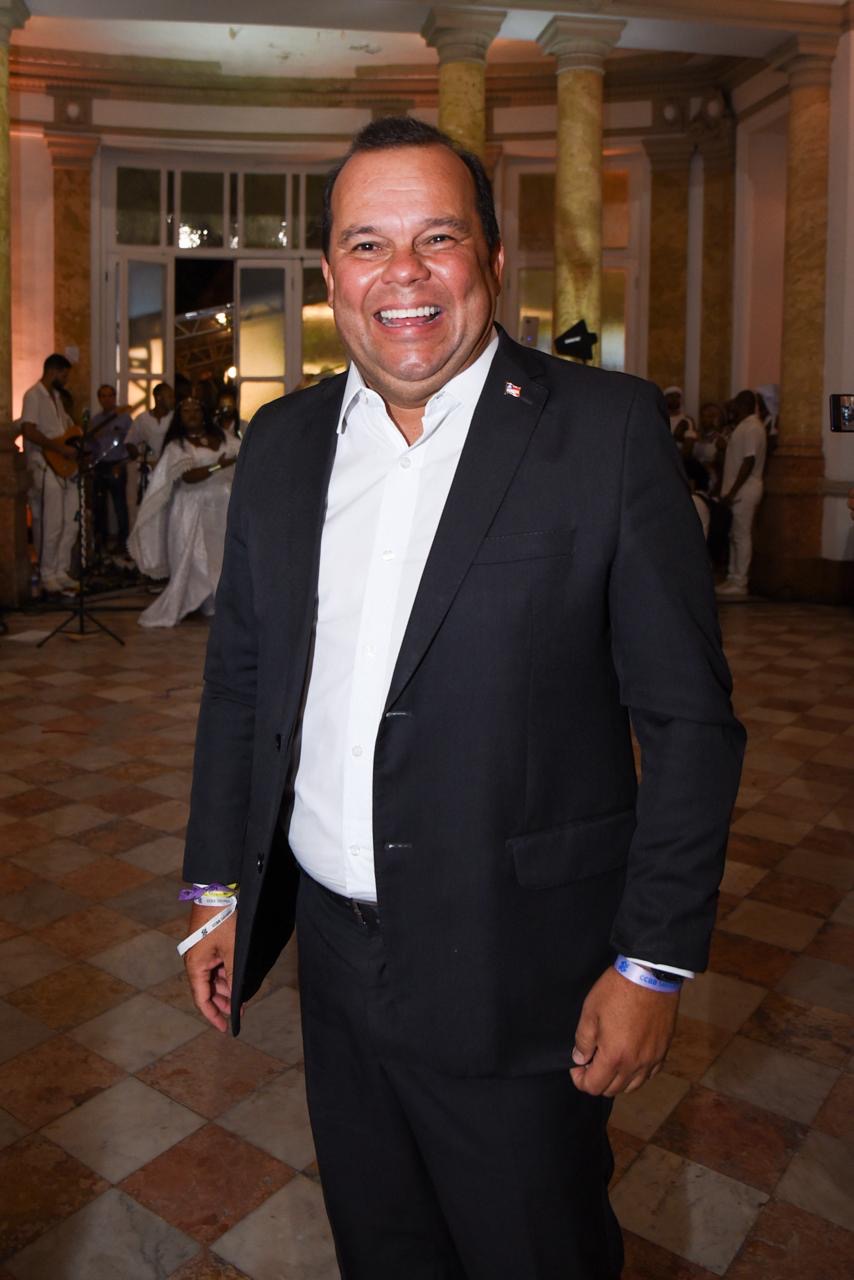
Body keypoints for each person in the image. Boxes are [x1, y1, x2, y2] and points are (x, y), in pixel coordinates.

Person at [181, 118, 744, 1280]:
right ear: (330, 272)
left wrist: (650, 961)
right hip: (336, 965)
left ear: (489, 257)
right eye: (367, 244)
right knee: (382, 1249)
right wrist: (214, 885)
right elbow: (239, 682)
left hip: (522, 972)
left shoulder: (603, 431)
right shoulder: (281, 444)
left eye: (436, 238)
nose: (404, 274)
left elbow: (688, 724)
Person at [127, 396, 238, 628]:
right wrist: (220, 464)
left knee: (223, 555)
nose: (192, 414)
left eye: (196, 409)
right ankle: (195, 601)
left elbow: (240, 454)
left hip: (222, 507)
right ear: (179, 417)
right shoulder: (177, 446)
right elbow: (189, 476)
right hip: (190, 509)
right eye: (186, 411)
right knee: (196, 558)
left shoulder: (222, 437)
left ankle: (219, 601)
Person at [19, 353, 79, 594]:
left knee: (70, 520)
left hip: (63, 465)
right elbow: (28, 430)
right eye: (64, 375)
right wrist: (57, 448)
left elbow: (65, 430)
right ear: (53, 371)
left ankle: (61, 570)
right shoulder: (33, 395)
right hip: (42, 464)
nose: (66, 380)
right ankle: (47, 573)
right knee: (51, 521)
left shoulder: (57, 397)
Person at [716, 389, 767, 599]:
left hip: (745, 489)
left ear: (743, 404)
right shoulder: (743, 426)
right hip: (739, 489)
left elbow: (749, 461)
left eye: (735, 403)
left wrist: (732, 491)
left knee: (741, 534)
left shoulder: (753, 427)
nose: (732, 407)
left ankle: (740, 581)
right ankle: (732, 577)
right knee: (735, 535)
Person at [89, 383, 132, 554]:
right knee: (99, 505)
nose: (107, 399)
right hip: (100, 465)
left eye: (110, 395)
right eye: (103, 396)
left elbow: (131, 441)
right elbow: (91, 446)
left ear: (115, 397)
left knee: (120, 505)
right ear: (99, 399)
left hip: (117, 464)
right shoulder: (95, 421)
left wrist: (123, 463)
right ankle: (101, 541)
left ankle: (123, 542)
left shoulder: (124, 418)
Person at [126, 381, 175, 465]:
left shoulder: (175, 417)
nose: (173, 400)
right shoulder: (143, 418)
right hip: (150, 465)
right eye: (170, 397)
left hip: (171, 464)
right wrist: (137, 456)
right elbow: (130, 441)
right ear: (159, 398)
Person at [663, 384, 697, 455]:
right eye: (671, 396)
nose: (674, 399)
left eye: (677, 396)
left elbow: (688, 447)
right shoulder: (659, 418)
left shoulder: (687, 420)